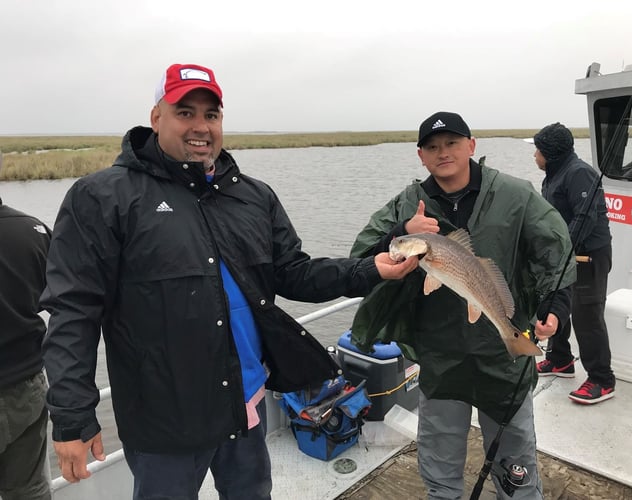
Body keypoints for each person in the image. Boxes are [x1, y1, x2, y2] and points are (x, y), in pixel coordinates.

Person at [39, 63, 418, 500]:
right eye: (185, 112)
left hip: (245, 404)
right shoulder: (103, 197)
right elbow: (74, 312)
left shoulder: (252, 196)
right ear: (156, 117)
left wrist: (371, 268)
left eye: (212, 115)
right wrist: (72, 416)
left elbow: (293, 272)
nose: (201, 127)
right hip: (164, 421)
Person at [349, 111, 576, 499]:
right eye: (433, 147)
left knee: (516, 462)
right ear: (420, 155)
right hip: (439, 355)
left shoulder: (516, 195)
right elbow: (362, 257)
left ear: (471, 146)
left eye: (452, 143)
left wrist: (555, 303)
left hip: (502, 356)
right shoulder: (408, 204)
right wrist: (401, 231)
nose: (443, 153)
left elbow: (554, 249)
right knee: (439, 459)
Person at [533, 122, 616, 404]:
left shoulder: (579, 173)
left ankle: (602, 379)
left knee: (587, 314)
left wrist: (563, 251)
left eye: (539, 150)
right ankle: (560, 360)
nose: (535, 155)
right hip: (565, 254)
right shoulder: (554, 174)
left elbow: (584, 218)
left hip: (588, 254)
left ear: (551, 153)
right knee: (559, 303)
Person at [0, 149, 52, 500]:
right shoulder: (32, 230)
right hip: (26, 387)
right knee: (29, 492)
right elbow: (66, 303)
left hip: (24, 383)